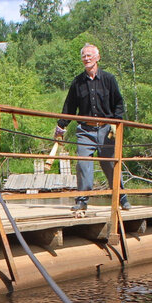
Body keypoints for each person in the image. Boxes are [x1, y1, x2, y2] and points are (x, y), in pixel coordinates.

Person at [54, 43, 129, 212]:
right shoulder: (77, 82)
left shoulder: (109, 79)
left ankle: (121, 197)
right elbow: (69, 107)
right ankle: (82, 200)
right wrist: (61, 125)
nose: (87, 59)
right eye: (84, 56)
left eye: (90, 55)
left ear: (97, 58)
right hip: (85, 130)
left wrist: (116, 123)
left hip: (106, 130)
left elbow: (118, 103)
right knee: (83, 164)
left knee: (110, 165)